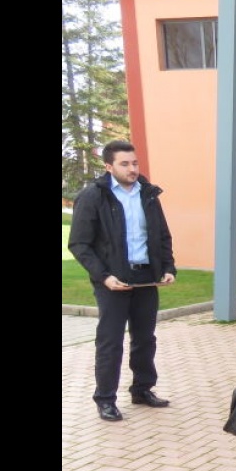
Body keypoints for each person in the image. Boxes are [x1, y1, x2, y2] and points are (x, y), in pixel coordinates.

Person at [69, 139, 177, 422]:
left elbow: (162, 236)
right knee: (110, 342)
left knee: (145, 339)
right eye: (125, 164)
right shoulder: (93, 196)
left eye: (135, 163)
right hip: (112, 280)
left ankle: (142, 389)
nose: (132, 169)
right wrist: (104, 277)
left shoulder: (148, 195)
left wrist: (167, 267)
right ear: (108, 166)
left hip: (145, 278)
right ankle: (105, 399)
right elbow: (79, 244)